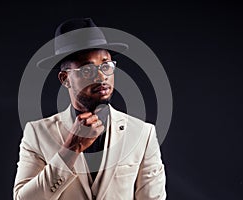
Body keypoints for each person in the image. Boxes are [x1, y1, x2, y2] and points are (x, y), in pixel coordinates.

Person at [13, 18, 166, 200]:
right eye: (87, 70)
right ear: (65, 79)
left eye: (106, 65)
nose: (101, 76)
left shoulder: (142, 134)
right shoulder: (37, 133)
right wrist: (70, 150)